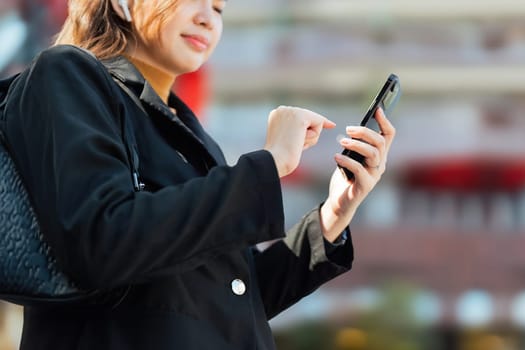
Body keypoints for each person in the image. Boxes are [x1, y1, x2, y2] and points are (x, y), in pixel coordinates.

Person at [1, 0, 395, 348]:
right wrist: (268, 164)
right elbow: (101, 241)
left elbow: (230, 296)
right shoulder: (67, 75)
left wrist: (332, 215)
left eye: (220, 8)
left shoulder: (190, 134)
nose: (208, 19)